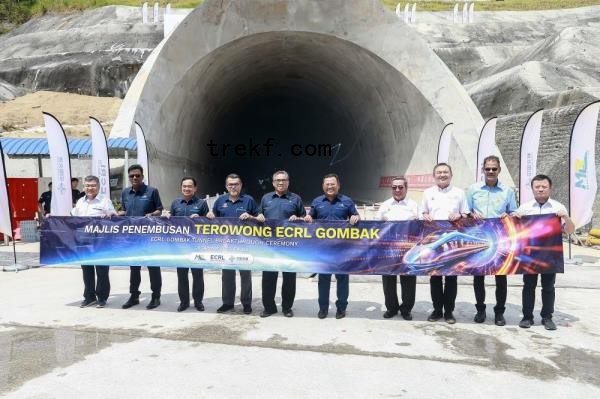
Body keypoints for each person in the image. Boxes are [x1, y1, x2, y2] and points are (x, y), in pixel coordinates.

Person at [513, 174, 574, 330]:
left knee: (548, 287)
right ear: (532, 189)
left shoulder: (558, 207)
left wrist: (566, 217)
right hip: (529, 254)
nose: (540, 189)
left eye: (544, 187)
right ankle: (527, 317)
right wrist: (515, 218)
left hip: (549, 254)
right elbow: (514, 231)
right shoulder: (525, 208)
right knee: (528, 286)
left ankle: (547, 317)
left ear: (549, 188)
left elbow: (570, 230)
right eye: (537, 187)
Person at [466, 155, 517, 326]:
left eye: (494, 168)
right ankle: (480, 310)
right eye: (487, 168)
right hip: (478, 238)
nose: (490, 171)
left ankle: (499, 312)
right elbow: (465, 212)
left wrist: (508, 215)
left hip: (501, 239)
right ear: (483, 170)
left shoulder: (507, 191)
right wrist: (472, 214)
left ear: (499, 170)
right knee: (478, 277)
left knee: (501, 277)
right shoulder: (473, 189)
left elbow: (514, 214)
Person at [304, 173, 360, 319]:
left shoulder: (347, 201)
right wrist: (309, 218)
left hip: (342, 249)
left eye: (333, 184)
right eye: (327, 184)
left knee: (342, 279)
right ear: (323, 186)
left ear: (338, 185)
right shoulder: (317, 202)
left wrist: (356, 217)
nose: (330, 186)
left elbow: (356, 217)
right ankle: (323, 308)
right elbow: (311, 219)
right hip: (323, 249)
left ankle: (341, 308)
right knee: (323, 279)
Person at [421, 163, 470, 324]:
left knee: (451, 278)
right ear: (434, 176)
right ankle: (436, 310)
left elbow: (466, 213)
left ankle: (449, 312)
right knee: (434, 276)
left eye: (445, 172)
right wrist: (424, 214)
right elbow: (422, 212)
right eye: (439, 172)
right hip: (434, 240)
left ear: (451, 174)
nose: (442, 175)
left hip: (453, 241)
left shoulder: (460, 193)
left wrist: (460, 215)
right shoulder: (428, 193)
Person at [256, 170, 306, 318]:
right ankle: (269, 308)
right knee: (268, 278)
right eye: (278, 180)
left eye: (284, 180)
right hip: (269, 245)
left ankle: (287, 308)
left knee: (289, 278)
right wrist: (259, 216)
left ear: (288, 182)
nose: (280, 182)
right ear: (273, 183)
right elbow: (260, 215)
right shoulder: (266, 198)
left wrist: (298, 217)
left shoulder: (295, 199)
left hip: (289, 246)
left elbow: (304, 218)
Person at [207, 173, 259, 314]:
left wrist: (251, 216)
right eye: (230, 184)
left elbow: (261, 217)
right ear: (226, 186)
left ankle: (246, 303)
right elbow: (213, 220)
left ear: (241, 185)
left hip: (244, 245)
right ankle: (228, 303)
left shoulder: (248, 200)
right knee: (227, 275)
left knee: (245, 275)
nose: (233, 186)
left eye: (236, 184)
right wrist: (210, 216)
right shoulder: (220, 201)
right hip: (225, 245)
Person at [119, 164, 164, 310]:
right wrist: (115, 214)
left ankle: (156, 296)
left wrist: (152, 214)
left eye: (137, 175)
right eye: (132, 176)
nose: (134, 178)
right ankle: (134, 296)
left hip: (150, 237)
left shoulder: (152, 191)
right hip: (132, 237)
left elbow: (159, 209)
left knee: (153, 267)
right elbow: (124, 211)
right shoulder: (125, 193)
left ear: (142, 176)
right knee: (134, 268)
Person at [376, 176, 418, 321]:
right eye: (394, 187)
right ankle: (391, 308)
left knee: (408, 279)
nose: (397, 190)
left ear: (406, 188)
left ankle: (406, 309)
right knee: (388, 278)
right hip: (388, 248)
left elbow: (421, 226)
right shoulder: (385, 205)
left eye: (401, 187)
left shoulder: (414, 205)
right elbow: (376, 225)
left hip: (408, 248)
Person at [71, 175, 116, 308]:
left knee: (102, 271)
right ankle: (89, 297)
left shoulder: (104, 201)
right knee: (87, 271)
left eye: (93, 186)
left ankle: (102, 298)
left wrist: (110, 214)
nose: (90, 188)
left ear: (98, 187)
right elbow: (72, 218)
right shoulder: (80, 202)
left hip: (101, 242)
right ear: (84, 187)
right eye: (87, 186)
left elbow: (114, 215)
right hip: (84, 242)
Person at [170, 177, 209, 312]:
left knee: (198, 275)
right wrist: (166, 217)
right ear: (181, 188)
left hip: (197, 245)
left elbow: (209, 224)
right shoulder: (175, 203)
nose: (187, 188)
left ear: (195, 188)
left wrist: (202, 219)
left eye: (190, 186)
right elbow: (171, 224)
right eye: (184, 186)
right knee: (182, 275)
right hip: (180, 246)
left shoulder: (202, 204)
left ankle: (198, 302)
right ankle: (184, 302)